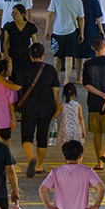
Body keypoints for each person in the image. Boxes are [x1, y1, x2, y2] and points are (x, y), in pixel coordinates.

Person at [17, 43, 62, 178]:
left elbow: (18, 88)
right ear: (43, 55)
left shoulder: (24, 68)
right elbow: (56, 91)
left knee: (27, 137)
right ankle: (39, 166)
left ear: (30, 56)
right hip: (47, 108)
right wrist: (55, 108)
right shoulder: (50, 70)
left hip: (29, 107)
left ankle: (31, 157)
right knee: (42, 137)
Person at [83, 37, 105, 170]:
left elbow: (86, 84)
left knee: (96, 133)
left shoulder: (88, 64)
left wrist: (100, 95)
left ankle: (99, 163)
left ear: (92, 48)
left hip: (93, 103)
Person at [46, 0, 85, 85]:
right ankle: (67, 80)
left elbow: (50, 15)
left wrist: (47, 30)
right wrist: (81, 33)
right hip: (71, 32)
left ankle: (56, 78)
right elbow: (81, 18)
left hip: (57, 32)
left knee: (57, 57)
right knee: (69, 57)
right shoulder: (77, 0)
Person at [75, 0, 104, 74]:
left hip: (77, 29)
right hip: (91, 29)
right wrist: (101, 29)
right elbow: (97, 17)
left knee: (78, 54)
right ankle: (89, 74)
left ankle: (78, 76)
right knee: (90, 53)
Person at [3, 4, 38, 72]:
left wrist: (34, 55)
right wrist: (6, 54)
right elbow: (5, 42)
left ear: (22, 14)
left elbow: (35, 42)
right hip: (13, 55)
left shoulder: (30, 26)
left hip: (26, 54)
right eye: (12, 13)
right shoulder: (9, 26)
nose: (13, 16)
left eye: (16, 14)